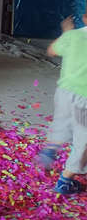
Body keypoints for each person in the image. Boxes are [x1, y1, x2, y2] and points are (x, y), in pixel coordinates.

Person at [36, 12, 87, 195]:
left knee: (62, 121)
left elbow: (51, 51)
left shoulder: (72, 36)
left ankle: (51, 148)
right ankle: (66, 180)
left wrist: (66, 33)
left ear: (85, 18)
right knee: (84, 139)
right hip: (85, 98)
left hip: (64, 92)